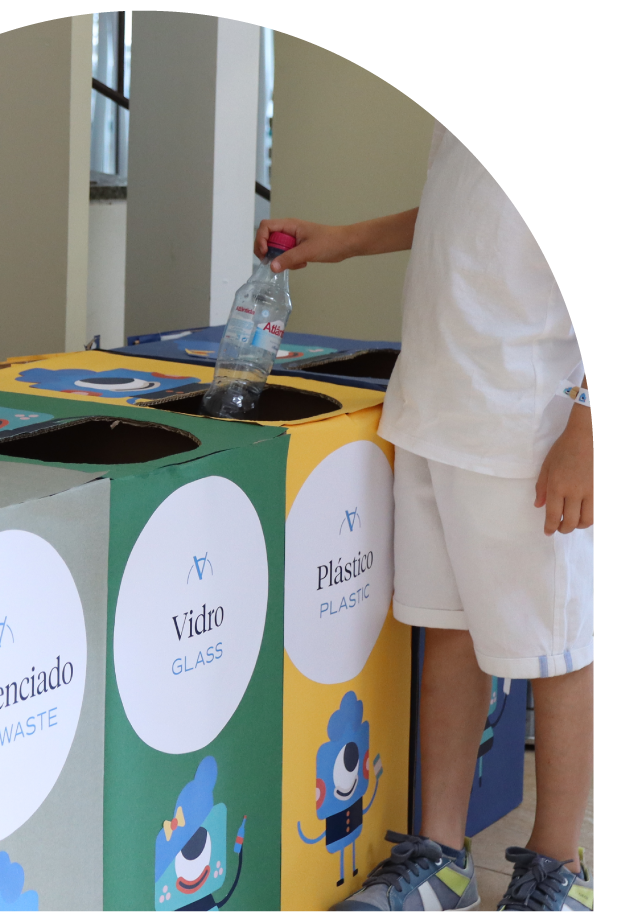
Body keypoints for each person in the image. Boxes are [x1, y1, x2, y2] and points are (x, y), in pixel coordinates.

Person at [256, 122, 593, 913]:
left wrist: (584, 425)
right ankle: (440, 861)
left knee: (556, 650)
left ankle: (557, 871)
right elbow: (460, 216)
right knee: (447, 630)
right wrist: (343, 240)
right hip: (435, 408)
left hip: (525, 426)